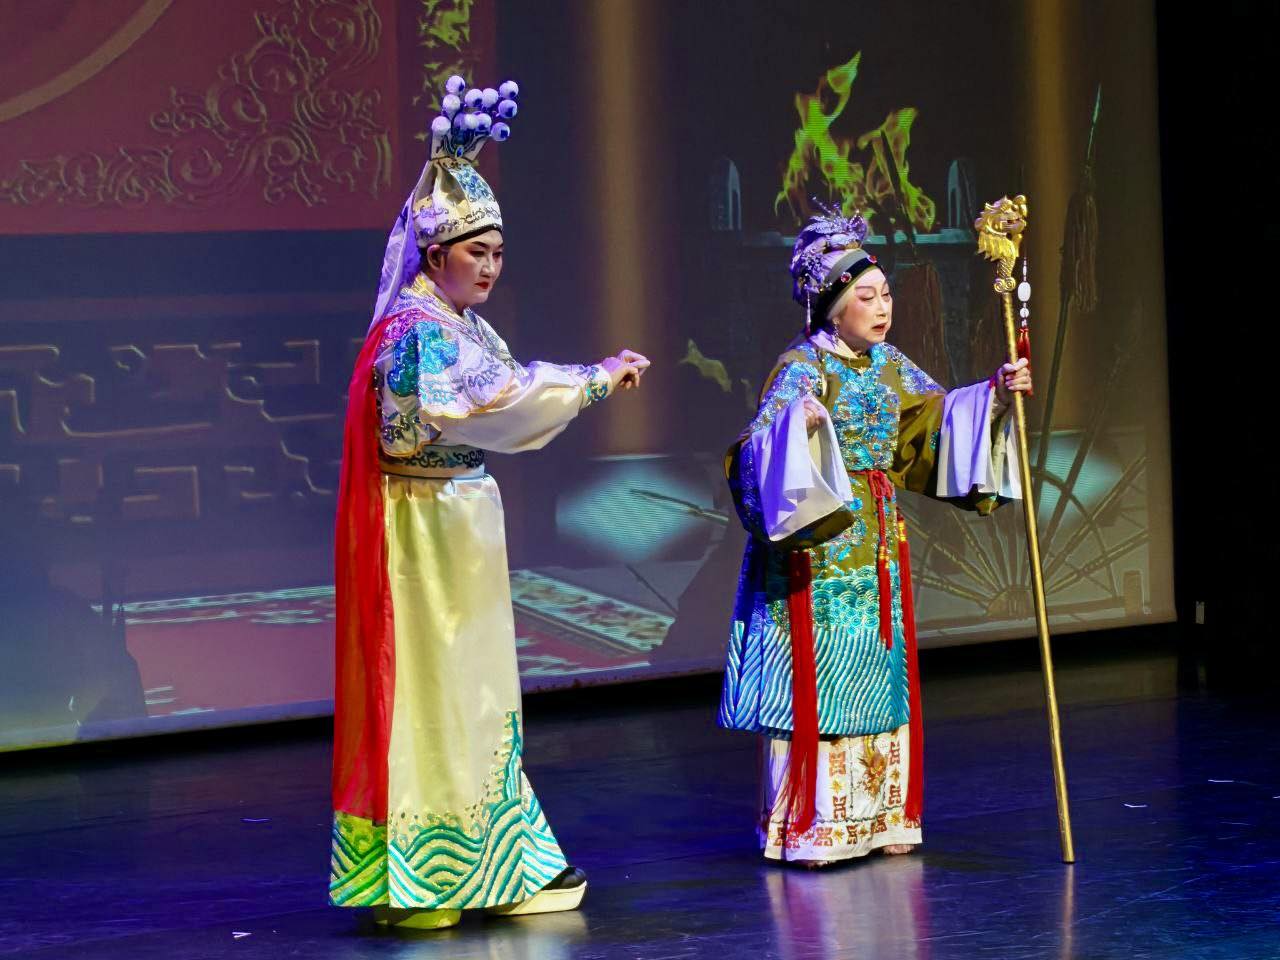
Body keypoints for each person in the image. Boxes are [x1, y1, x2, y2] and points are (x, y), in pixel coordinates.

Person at [328, 76, 649, 929]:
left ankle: (481, 864)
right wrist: (595, 379)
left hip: (457, 523)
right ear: (436, 255)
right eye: (478, 253)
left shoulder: (460, 326)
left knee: (474, 692)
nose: (492, 268)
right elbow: (503, 401)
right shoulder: (418, 332)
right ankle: (427, 876)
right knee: (439, 693)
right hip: (424, 534)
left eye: (499, 254)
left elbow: (499, 388)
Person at [719, 208, 1029, 866]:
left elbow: (934, 419)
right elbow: (756, 456)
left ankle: (882, 817)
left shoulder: (888, 365)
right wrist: (796, 433)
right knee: (826, 674)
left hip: (880, 542)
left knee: (878, 667)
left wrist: (996, 396)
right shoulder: (800, 368)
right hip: (820, 548)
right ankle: (814, 825)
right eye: (866, 296)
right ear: (830, 303)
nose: (882, 307)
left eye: (886, 294)